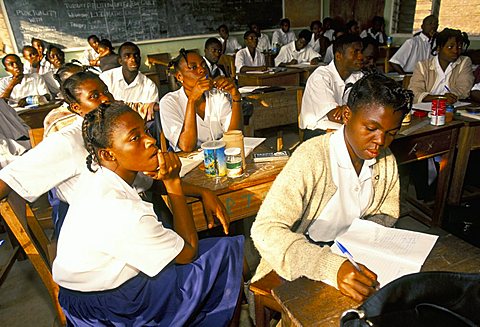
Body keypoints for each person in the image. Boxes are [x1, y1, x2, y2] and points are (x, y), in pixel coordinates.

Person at [53, 102, 244, 326]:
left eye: (145, 130)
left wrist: (202, 191)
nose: (150, 140)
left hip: (78, 300)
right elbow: (187, 253)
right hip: (116, 307)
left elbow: (152, 183)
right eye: (135, 138)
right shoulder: (126, 212)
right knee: (227, 250)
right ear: (108, 153)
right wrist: (174, 183)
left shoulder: (96, 174)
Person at [0, 72, 230, 237]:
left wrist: (200, 190)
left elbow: (147, 182)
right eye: (95, 96)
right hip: (104, 231)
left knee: (211, 229)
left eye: (106, 92)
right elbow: (8, 179)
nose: (105, 99)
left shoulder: (117, 131)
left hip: (142, 212)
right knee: (200, 249)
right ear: (76, 109)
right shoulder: (67, 142)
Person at [251, 73, 413, 302]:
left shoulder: (385, 160)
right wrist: (330, 266)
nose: (380, 141)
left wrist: (360, 243)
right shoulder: (312, 157)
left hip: (352, 257)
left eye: (391, 133)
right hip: (299, 261)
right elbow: (265, 230)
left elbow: (385, 215)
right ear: (347, 115)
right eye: (370, 128)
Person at [160, 49, 242, 152]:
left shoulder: (216, 95)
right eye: (194, 67)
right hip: (188, 162)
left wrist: (236, 98)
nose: (202, 70)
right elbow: (187, 146)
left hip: (220, 157)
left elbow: (233, 135)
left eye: (203, 65)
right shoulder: (169, 102)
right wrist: (192, 100)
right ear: (180, 76)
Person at [300, 35, 364, 140]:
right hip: (318, 132)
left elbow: (369, 107)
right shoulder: (321, 77)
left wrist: (346, 111)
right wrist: (356, 112)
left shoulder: (358, 76)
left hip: (345, 128)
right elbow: (335, 116)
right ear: (339, 56)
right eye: (355, 52)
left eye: (361, 51)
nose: (361, 57)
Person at [408, 28, 474, 104]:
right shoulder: (423, 66)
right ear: (439, 48)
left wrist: (452, 96)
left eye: (459, 47)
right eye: (450, 47)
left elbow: (464, 88)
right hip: (425, 109)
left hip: (451, 108)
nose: (455, 51)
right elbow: (415, 92)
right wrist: (441, 98)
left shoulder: (464, 62)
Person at [99, 42, 159, 121]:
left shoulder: (149, 86)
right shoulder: (106, 78)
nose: (133, 59)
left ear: (140, 59)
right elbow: (99, 106)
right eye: (127, 56)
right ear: (120, 61)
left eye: (136, 55)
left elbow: (150, 115)